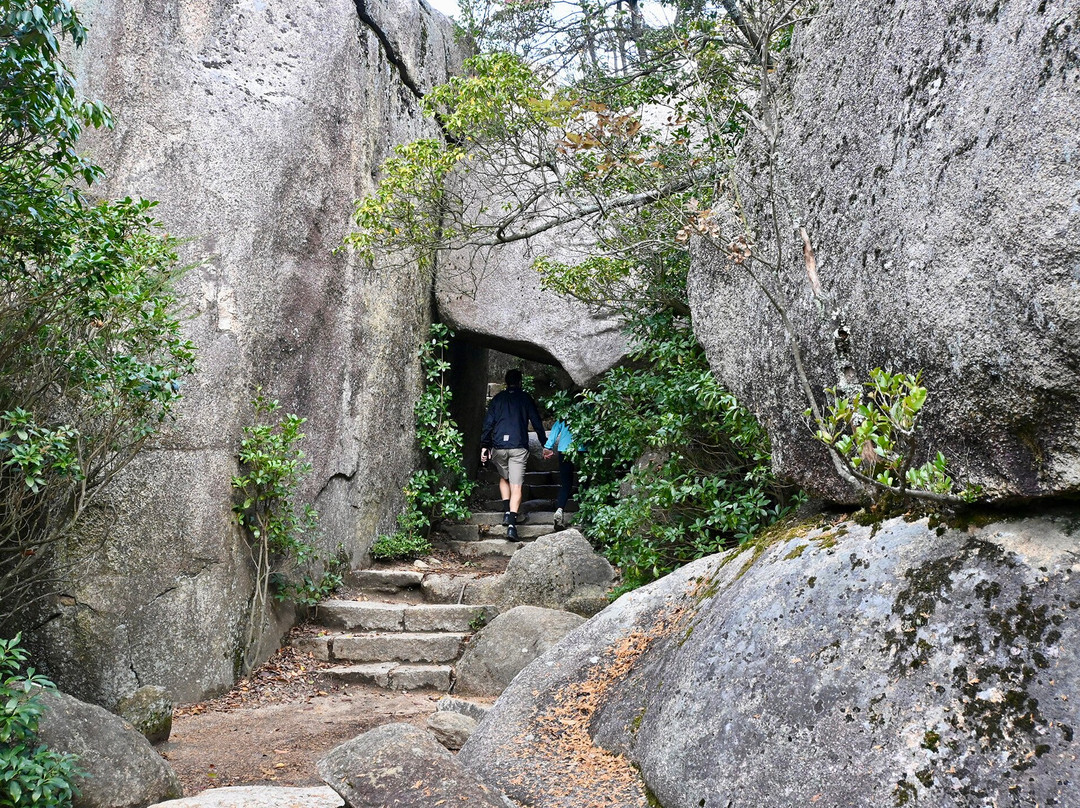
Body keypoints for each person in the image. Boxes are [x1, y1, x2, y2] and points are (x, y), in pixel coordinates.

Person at [480, 369, 546, 540]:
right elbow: (536, 421)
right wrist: (544, 443)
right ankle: (511, 526)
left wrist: (485, 445)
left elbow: (488, 423)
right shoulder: (525, 398)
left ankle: (506, 512)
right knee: (516, 486)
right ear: (520, 382)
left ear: (506, 382)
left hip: (499, 446)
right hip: (518, 446)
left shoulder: (497, 399)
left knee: (504, 478)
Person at [542, 419, 577, 529]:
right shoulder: (589, 410)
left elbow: (556, 428)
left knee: (566, 484)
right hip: (583, 449)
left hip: (565, 448)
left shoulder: (565, 412)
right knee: (586, 482)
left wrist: (548, 447)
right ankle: (586, 513)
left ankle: (559, 510)